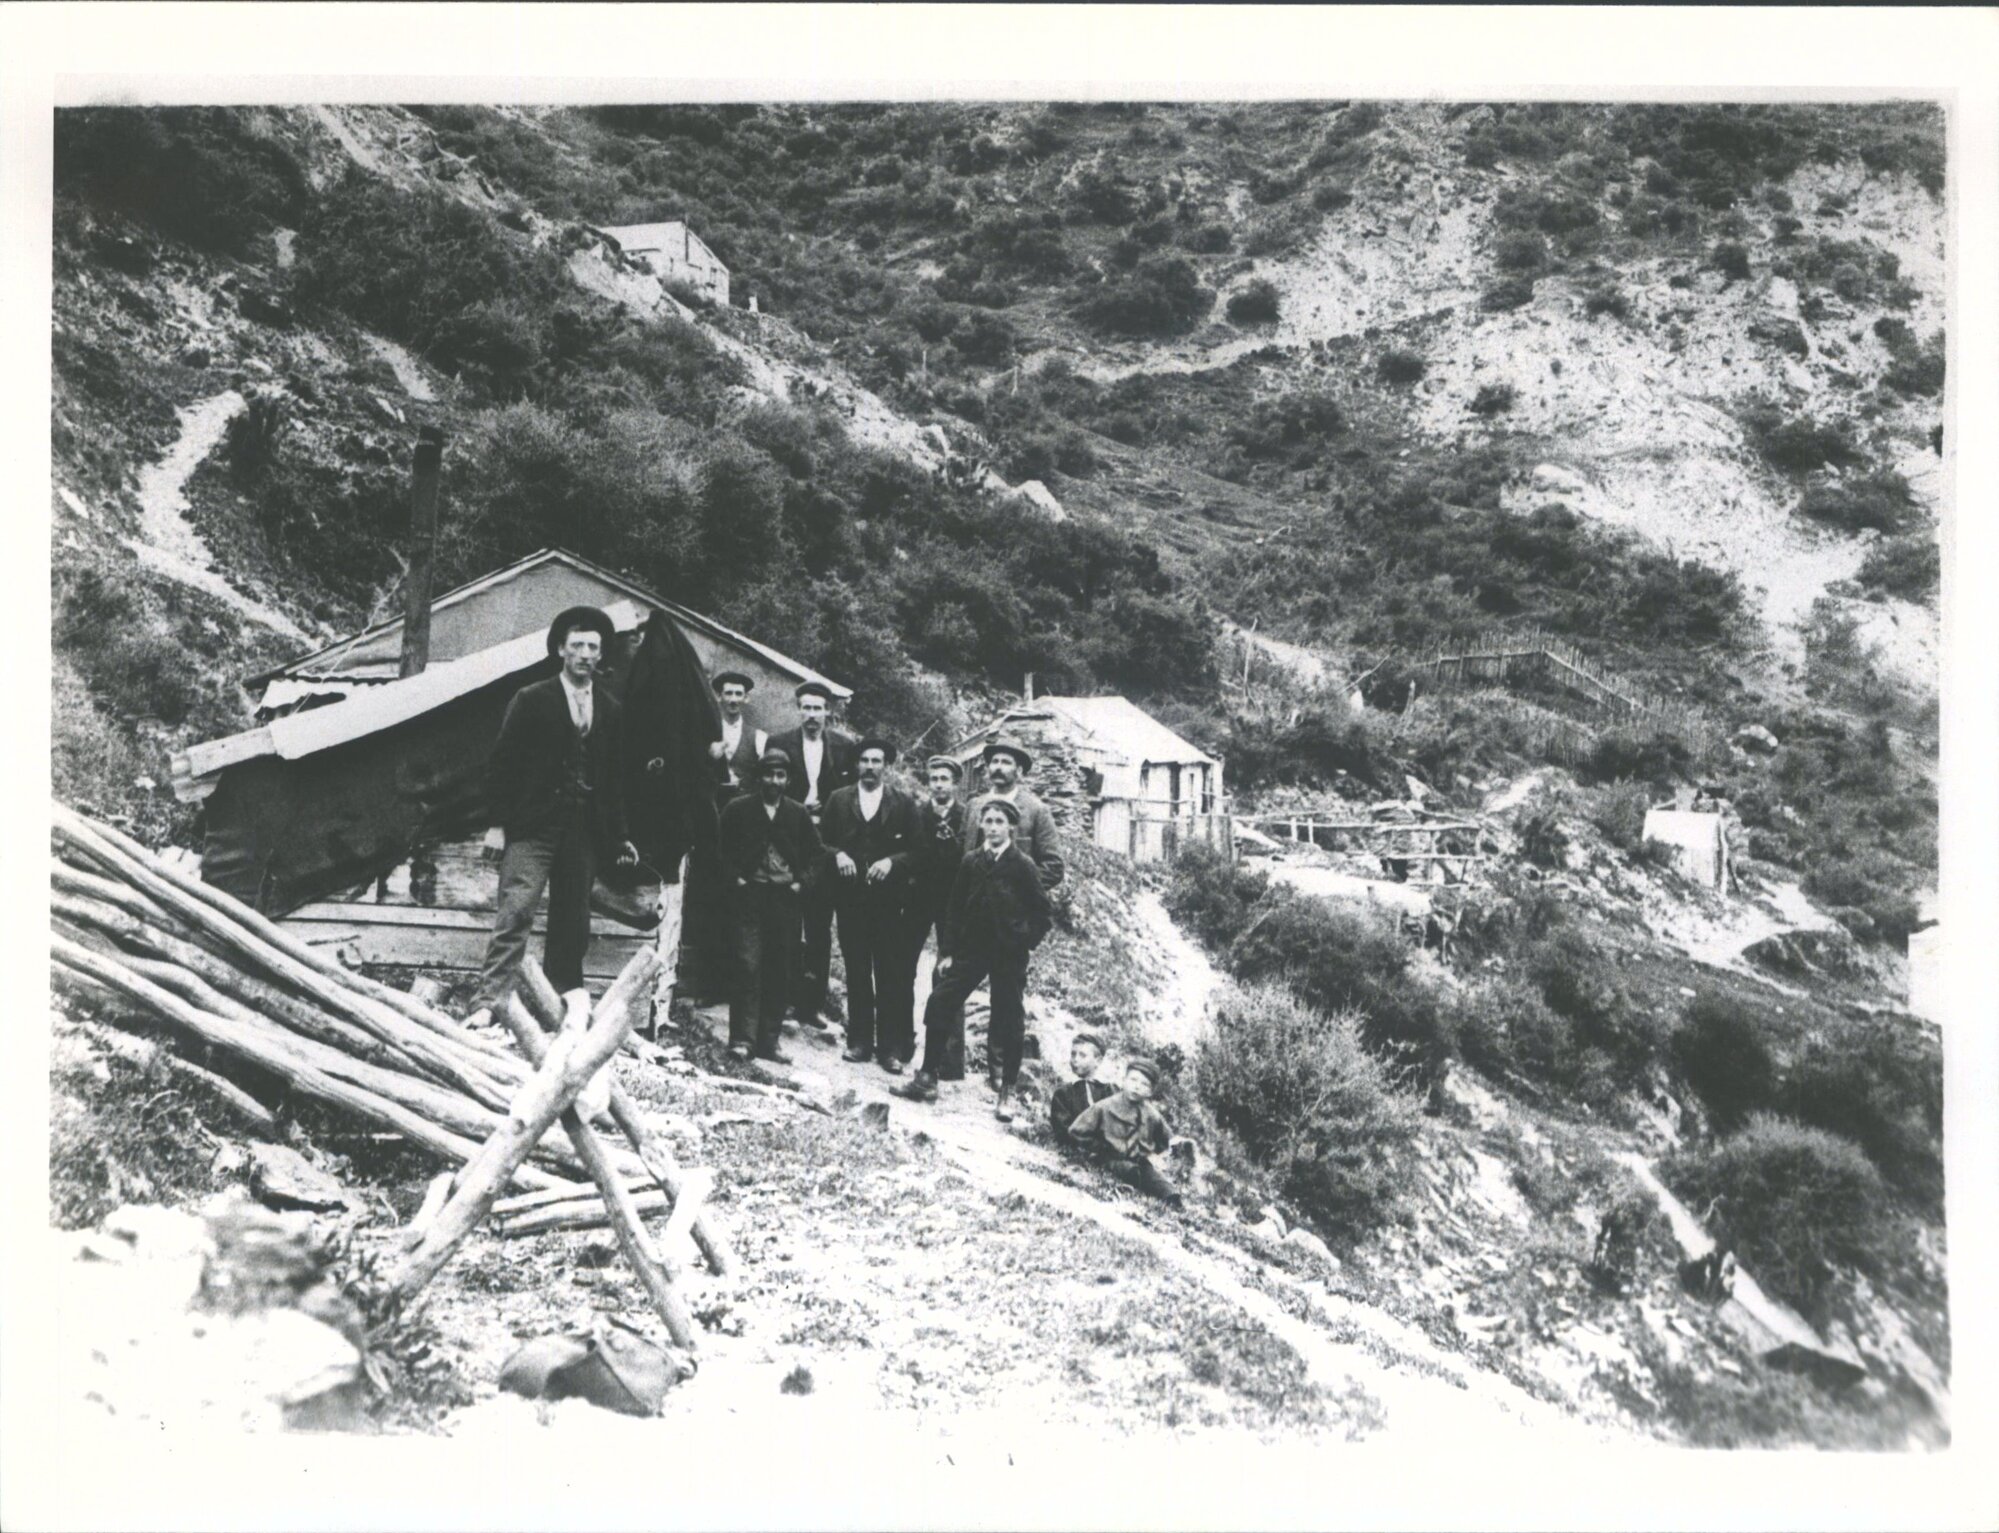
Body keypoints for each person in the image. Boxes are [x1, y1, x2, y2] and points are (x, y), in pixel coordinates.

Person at [465, 607, 638, 1026]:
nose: (584, 654)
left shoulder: (611, 709)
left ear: (601, 656)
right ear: (561, 649)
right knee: (517, 909)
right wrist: (498, 823)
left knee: (573, 919)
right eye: (576, 645)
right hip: (532, 827)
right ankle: (490, 1003)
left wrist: (618, 837)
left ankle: (559, 1006)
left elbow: (612, 780)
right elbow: (501, 765)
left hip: (581, 831)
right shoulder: (532, 699)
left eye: (593, 647)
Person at [901, 798, 1051, 1120]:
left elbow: (1042, 913)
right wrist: (949, 951)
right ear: (981, 824)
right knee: (940, 1001)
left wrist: (1023, 940)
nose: (993, 827)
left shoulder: (1022, 864)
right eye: (988, 821)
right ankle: (928, 1076)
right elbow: (954, 908)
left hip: (1008, 954)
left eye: (1000, 822)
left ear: (1011, 826)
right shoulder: (971, 861)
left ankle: (1007, 1090)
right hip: (972, 950)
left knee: (1009, 1017)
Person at [819, 737, 920, 1072]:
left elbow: (917, 851)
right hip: (850, 902)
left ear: (886, 766)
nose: (870, 767)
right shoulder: (838, 799)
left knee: (888, 974)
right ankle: (859, 1041)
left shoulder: (903, 803)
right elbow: (820, 843)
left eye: (877, 761)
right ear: (856, 764)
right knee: (857, 972)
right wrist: (839, 855)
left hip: (889, 905)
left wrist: (893, 862)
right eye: (864, 760)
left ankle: (888, 1048)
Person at [716, 749, 823, 1064]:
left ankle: (769, 1042)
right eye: (768, 774)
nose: (774, 781)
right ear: (759, 777)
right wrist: (734, 878)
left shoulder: (797, 813)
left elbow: (817, 855)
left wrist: (801, 883)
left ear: (788, 780)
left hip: (784, 900)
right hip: (750, 897)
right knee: (748, 965)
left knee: (779, 969)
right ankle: (742, 1040)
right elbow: (719, 849)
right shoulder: (739, 809)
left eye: (780, 776)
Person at [766, 680, 858, 1026]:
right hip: (792, 838)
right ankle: (785, 999)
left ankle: (813, 1005)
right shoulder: (780, 744)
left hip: (827, 844)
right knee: (788, 924)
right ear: (798, 709)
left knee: (819, 926)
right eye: (806, 707)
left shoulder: (843, 746)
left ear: (828, 712)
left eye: (818, 708)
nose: (812, 715)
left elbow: (847, 793)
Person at [1067, 1060, 1182, 1206]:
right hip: (1108, 1157)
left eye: (1144, 1084)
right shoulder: (1105, 1106)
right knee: (1130, 1171)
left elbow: (1167, 1139)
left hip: (1138, 1161)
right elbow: (1076, 1131)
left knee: (1166, 1188)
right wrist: (1098, 1147)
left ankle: (1172, 1199)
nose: (1137, 1086)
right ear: (1123, 1081)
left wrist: (1154, 1151)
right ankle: (1137, 1184)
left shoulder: (1152, 1115)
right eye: (1133, 1080)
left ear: (1150, 1091)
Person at [963, 739, 1065, 894]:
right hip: (973, 905)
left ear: (1018, 770)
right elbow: (961, 857)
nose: (998, 767)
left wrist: (1019, 891)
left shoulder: (1036, 810)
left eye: (1006, 762)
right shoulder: (974, 806)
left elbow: (1054, 866)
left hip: (1014, 912)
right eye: (994, 761)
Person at [905, 753, 970, 961]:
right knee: (906, 955)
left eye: (944, 779)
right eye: (934, 779)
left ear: (955, 784)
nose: (938, 785)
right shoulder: (915, 814)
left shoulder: (967, 816)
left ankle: (939, 994)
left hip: (952, 897)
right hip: (919, 895)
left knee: (948, 958)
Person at [708, 670, 766, 809]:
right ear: (718, 696)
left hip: (744, 812)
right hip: (711, 808)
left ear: (746, 698)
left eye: (738, 694)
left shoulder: (759, 737)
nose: (733, 700)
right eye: (728, 693)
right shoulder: (707, 734)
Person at [1048, 1032, 1116, 1142]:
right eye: (1073, 1054)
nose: (1075, 1059)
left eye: (1082, 1055)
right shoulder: (1063, 1094)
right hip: (1080, 1150)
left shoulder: (1109, 1091)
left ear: (1098, 1061)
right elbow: (1063, 1131)